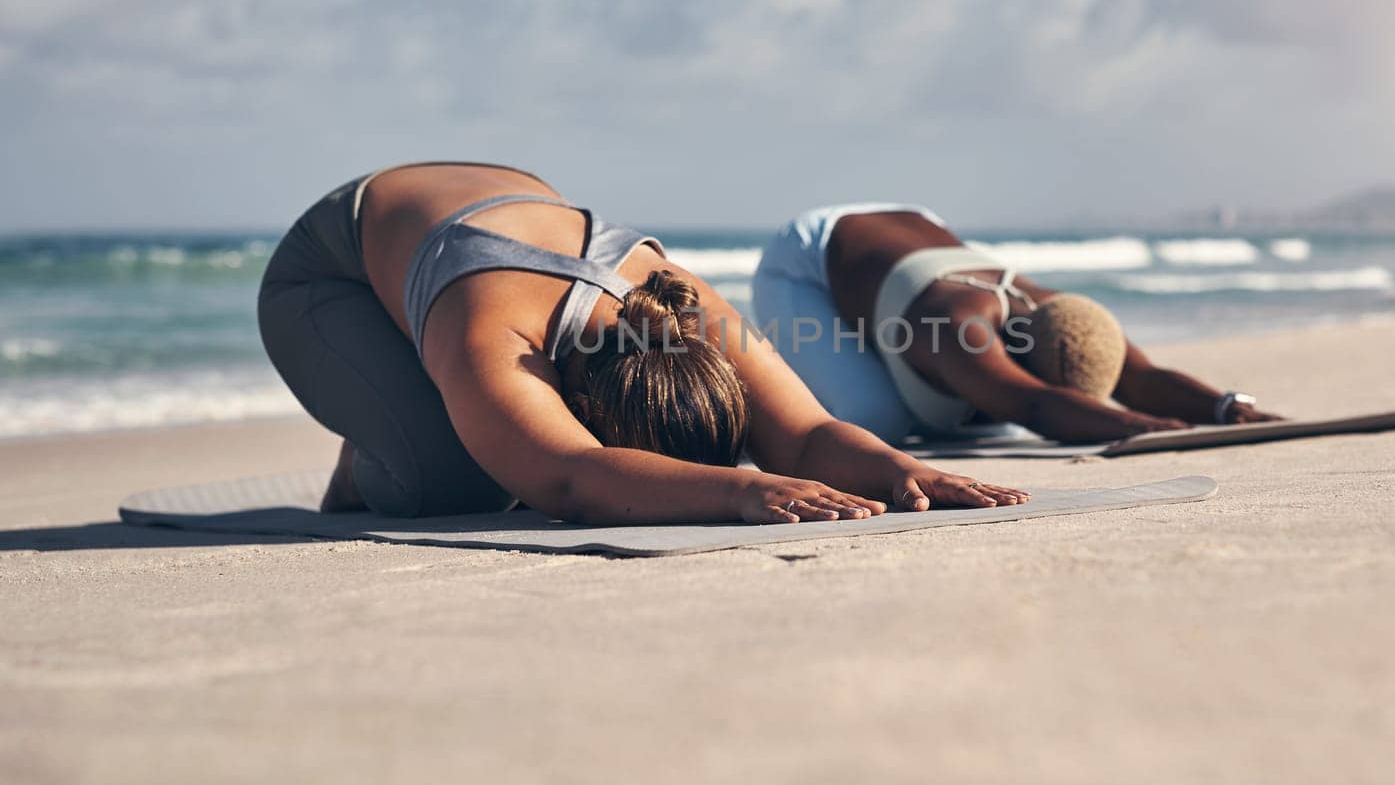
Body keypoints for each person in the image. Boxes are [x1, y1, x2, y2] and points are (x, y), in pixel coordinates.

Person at [257, 164, 1026, 523]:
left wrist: (904, 472)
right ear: (581, 403)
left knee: (502, 453)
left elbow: (806, 431)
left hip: (465, 210)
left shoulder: (682, 305)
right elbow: (572, 475)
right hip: (328, 276)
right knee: (457, 488)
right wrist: (739, 489)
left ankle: (435, 418)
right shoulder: (492, 330)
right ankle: (368, 459)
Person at [752, 203, 1283, 446]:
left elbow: (1140, 378)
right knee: (878, 421)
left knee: (983, 418)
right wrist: (1141, 426)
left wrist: (1221, 406)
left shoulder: (1066, 313)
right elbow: (1034, 403)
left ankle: (913, 370)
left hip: (915, 225)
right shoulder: (960, 328)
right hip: (807, 262)